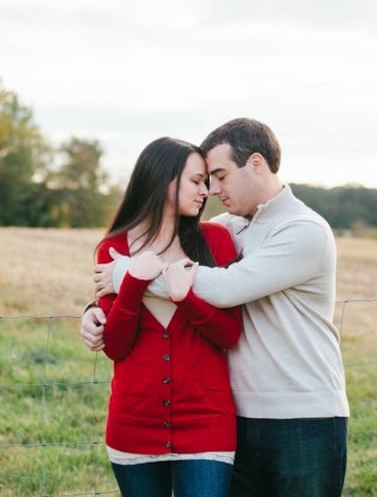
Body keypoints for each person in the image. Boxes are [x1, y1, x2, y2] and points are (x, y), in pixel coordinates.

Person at [82, 118, 349, 497]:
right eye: (205, 179)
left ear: (256, 163)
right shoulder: (229, 228)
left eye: (220, 176)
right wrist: (97, 308)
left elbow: (224, 289)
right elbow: (157, 256)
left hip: (302, 416)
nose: (212, 190)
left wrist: (127, 273)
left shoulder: (303, 229)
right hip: (240, 415)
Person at [94, 136, 241, 497]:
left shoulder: (216, 242)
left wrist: (184, 298)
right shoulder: (113, 249)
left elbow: (229, 335)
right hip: (133, 426)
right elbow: (116, 346)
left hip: (207, 425)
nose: (205, 191)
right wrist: (133, 280)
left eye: (206, 181)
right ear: (163, 179)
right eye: (195, 181)